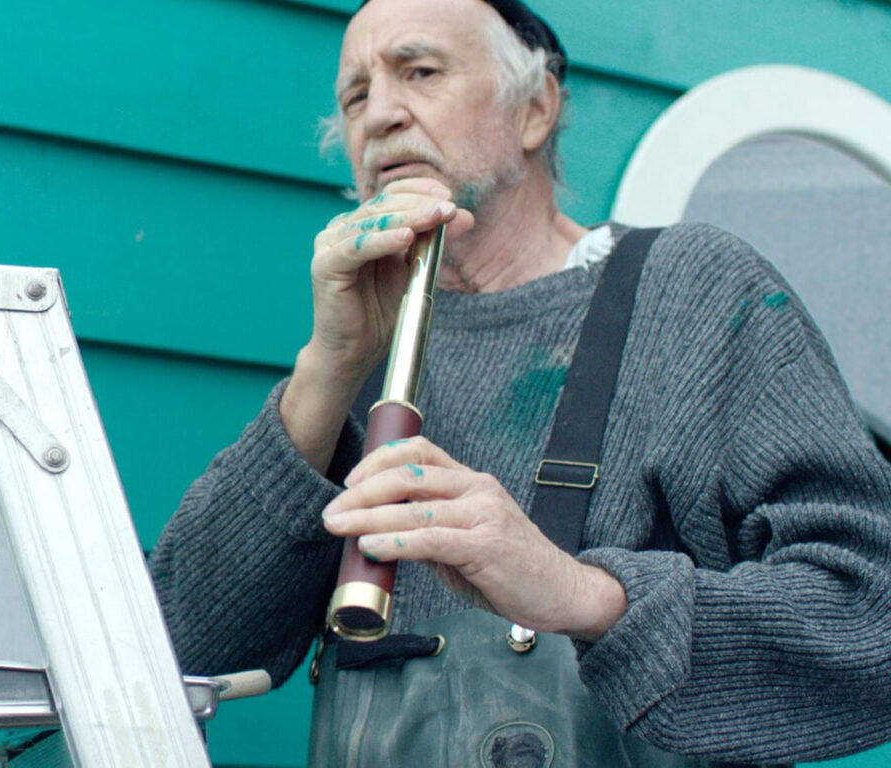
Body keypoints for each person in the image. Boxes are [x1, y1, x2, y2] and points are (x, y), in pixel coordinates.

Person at [149, 0, 891, 765]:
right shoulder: (361, 349)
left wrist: (584, 596)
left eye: (420, 71)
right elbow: (174, 654)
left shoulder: (693, 292)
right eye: (355, 94)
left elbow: (873, 613)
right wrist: (325, 371)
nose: (381, 115)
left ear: (535, 109)